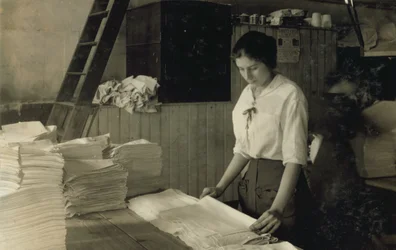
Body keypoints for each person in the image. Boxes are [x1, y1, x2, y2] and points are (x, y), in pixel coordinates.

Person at [200, 31, 313, 246]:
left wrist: (278, 208)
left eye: (253, 68)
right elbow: (243, 149)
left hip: (280, 187)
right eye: (241, 69)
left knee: (285, 244)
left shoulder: (290, 94)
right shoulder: (247, 93)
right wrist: (220, 187)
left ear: (269, 62)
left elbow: (295, 157)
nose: (247, 76)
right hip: (250, 186)